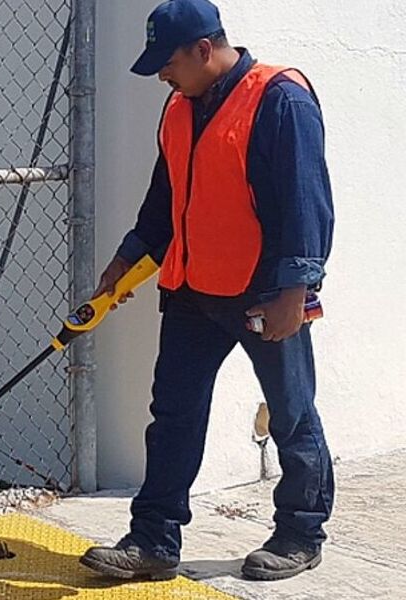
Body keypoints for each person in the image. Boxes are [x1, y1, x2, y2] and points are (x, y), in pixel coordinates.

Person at [78, 0, 335, 583]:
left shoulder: (280, 99)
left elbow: (306, 202)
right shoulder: (178, 107)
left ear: (203, 49)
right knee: (173, 415)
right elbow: (162, 203)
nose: (161, 75)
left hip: (265, 293)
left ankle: (300, 532)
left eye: (166, 63)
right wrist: (124, 261)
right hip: (192, 290)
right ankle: (153, 540)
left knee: (292, 414)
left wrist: (296, 289)